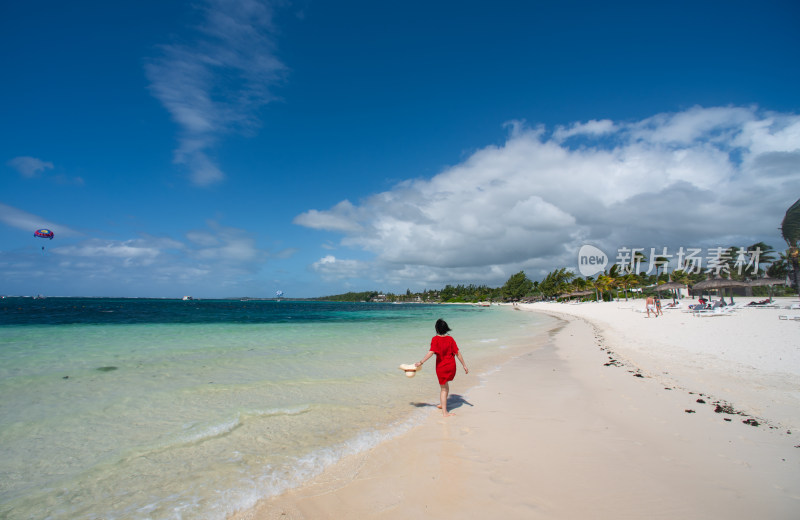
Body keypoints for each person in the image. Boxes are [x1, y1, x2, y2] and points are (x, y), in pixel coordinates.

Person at [416, 319, 468, 417]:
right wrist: (464, 365)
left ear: (437, 329)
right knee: (446, 386)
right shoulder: (450, 339)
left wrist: (421, 362)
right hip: (451, 366)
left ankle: (445, 412)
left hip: (441, 367)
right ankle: (442, 404)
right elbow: (457, 353)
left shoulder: (435, 339)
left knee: (443, 389)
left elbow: (431, 352)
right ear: (446, 328)